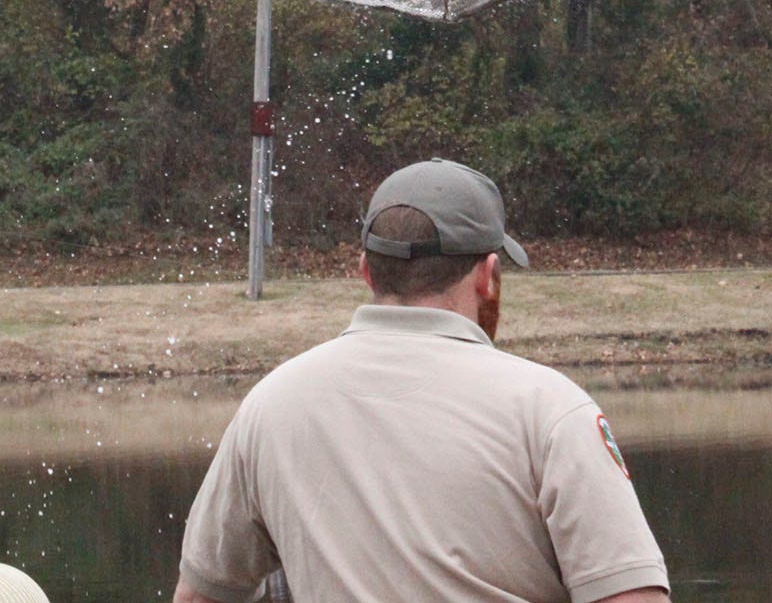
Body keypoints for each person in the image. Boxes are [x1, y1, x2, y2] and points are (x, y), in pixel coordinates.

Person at [174, 158, 669, 603]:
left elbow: (202, 596)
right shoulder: (550, 411)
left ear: (366, 271)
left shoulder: (270, 406)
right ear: (487, 275)